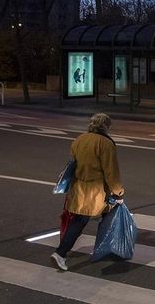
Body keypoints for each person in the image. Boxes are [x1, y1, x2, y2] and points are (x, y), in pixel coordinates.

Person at [52, 113, 124, 271]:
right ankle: (61, 252)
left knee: (83, 219)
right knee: (84, 221)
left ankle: (105, 249)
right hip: (96, 190)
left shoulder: (80, 139)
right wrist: (118, 192)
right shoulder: (105, 143)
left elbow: (74, 162)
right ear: (105, 126)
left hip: (79, 187)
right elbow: (111, 171)